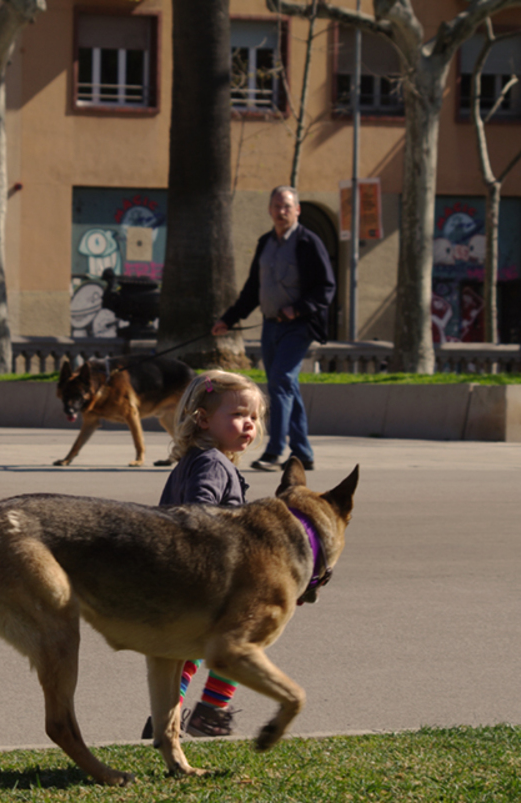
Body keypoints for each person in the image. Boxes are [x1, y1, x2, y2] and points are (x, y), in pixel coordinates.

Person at [144, 369, 266, 739]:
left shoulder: (195, 461)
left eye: (255, 418)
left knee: (191, 651)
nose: (249, 425)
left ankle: (165, 716)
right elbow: (199, 514)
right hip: (205, 578)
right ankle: (211, 711)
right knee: (247, 634)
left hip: (181, 578)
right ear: (202, 418)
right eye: (238, 415)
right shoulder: (213, 464)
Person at [212, 186, 336, 471]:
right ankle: (303, 453)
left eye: (287, 207)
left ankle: (274, 450)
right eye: (277, 207)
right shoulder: (265, 242)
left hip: (300, 326)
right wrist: (228, 320)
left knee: (280, 380)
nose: (281, 212)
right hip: (270, 325)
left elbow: (326, 288)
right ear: (269, 210)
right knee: (287, 385)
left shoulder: (309, 242)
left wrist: (299, 308)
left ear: (297, 210)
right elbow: (252, 289)